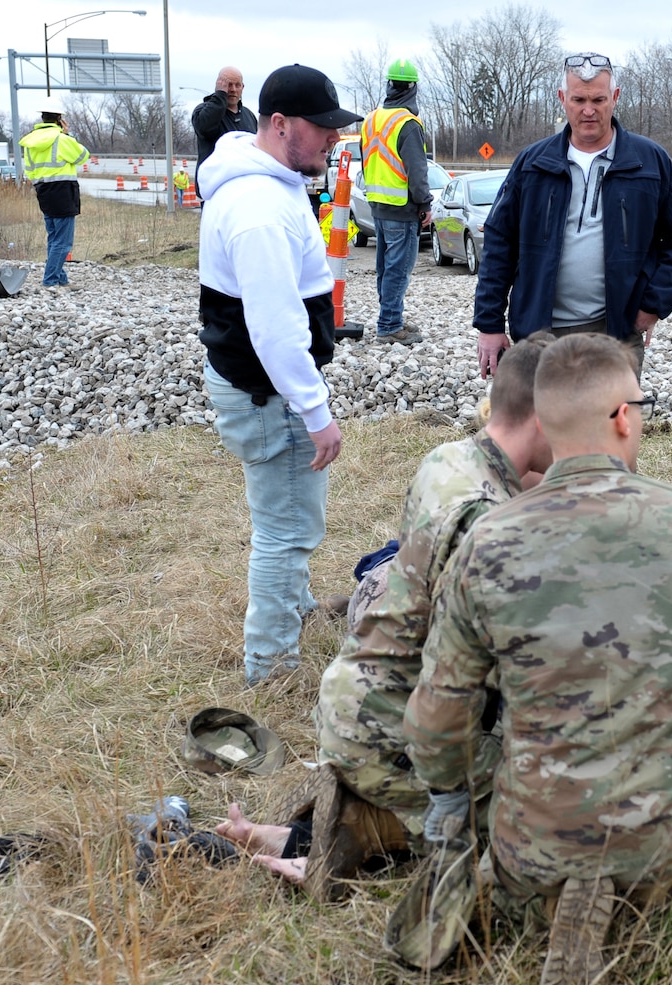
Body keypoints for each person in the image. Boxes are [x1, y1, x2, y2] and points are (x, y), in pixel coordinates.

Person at [404, 334, 672, 985]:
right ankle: (646, 871)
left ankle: (562, 884)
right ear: (624, 418)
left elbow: (436, 715)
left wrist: (452, 808)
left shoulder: (488, 541)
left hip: (530, 846)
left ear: (542, 422)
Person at [246, 334, 556, 893]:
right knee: (547, 816)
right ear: (543, 418)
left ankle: (330, 819)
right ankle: (348, 835)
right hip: (391, 729)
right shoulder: (485, 524)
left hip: (356, 701)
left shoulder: (452, 460)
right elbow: (479, 675)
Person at [196, 64, 363, 685]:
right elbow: (273, 327)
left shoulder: (271, 177)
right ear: (278, 124)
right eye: (321, 129)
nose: (332, 140)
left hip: (264, 387)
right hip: (269, 393)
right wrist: (316, 414)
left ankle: (293, 611)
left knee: (288, 518)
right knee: (285, 530)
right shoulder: (260, 206)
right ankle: (271, 665)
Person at [472, 53, 672, 378]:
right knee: (541, 428)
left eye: (598, 99)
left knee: (610, 428)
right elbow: (499, 242)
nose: (589, 110)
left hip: (616, 333)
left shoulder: (649, 162)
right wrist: (489, 324)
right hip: (538, 334)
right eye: (579, 99)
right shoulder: (532, 163)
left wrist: (654, 303)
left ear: (615, 98)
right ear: (563, 99)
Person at [363, 59, 433, 346]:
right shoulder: (407, 123)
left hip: (378, 205)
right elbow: (418, 170)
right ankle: (389, 325)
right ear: (413, 88)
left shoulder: (371, 119)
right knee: (398, 269)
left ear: (389, 85)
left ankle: (390, 317)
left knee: (385, 268)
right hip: (402, 209)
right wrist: (425, 203)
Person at [19, 98, 89, 289]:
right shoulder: (62, 139)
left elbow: (30, 170)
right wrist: (68, 134)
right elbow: (83, 156)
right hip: (63, 192)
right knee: (63, 242)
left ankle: (60, 279)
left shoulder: (31, 141)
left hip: (43, 191)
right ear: (59, 119)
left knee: (54, 237)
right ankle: (50, 281)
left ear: (42, 118)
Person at [192, 66, 258, 172]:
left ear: (242, 87)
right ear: (219, 86)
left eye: (237, 85)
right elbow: (204, 128)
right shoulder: (203, 110)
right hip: (216, 183)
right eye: (228, 85)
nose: (233, 89)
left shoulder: (249, 115)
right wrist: (219, 97)